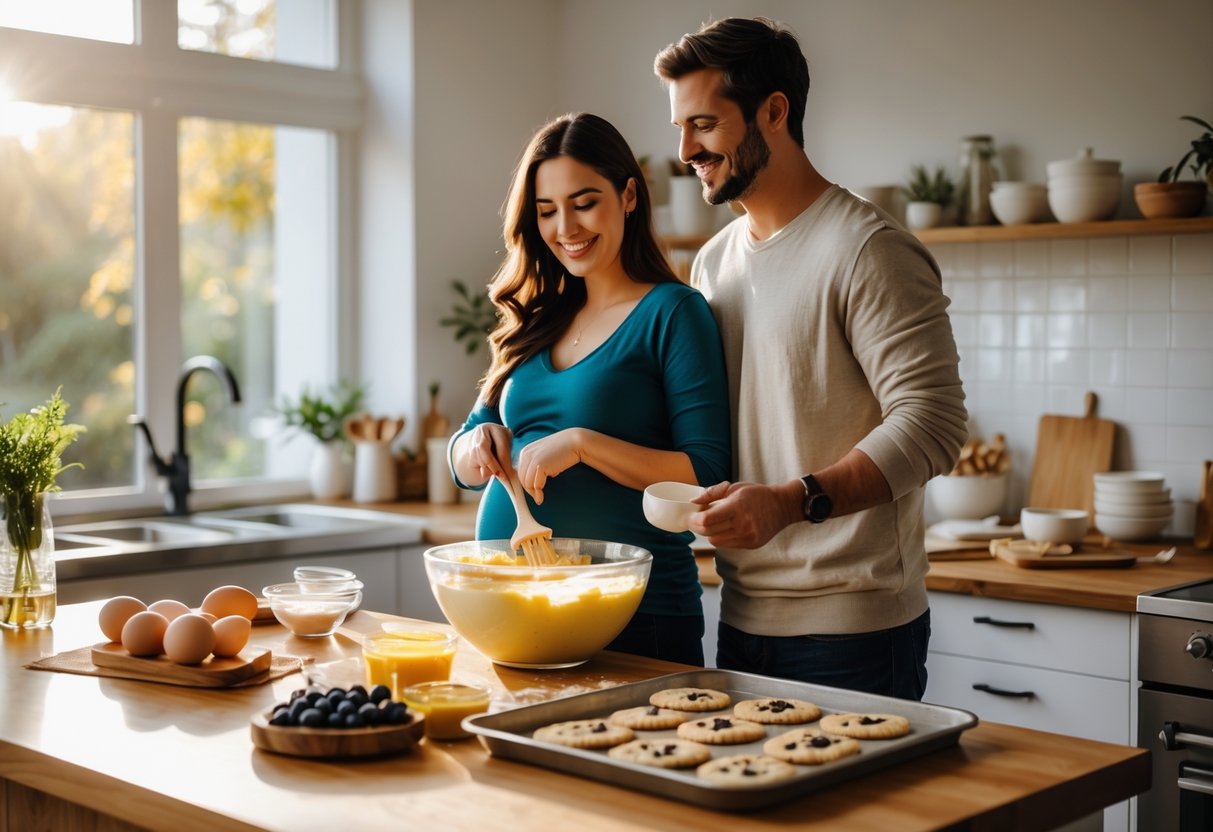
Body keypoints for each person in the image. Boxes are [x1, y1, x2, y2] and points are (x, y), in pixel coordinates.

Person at [654, 18, 968, 699]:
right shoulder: (711, 264)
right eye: (680, 128)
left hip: (854, 629)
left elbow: (934, 424)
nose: (684, 149)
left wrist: (791, 502)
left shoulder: (866, 248)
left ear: (773, 111)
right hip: (738, 615)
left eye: (703, 124)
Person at [447, 112, 732, 666]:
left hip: (634, 616)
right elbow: (460, 457)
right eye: (547, 211)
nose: (565, 229)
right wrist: (476, 449)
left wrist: (582, 443)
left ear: (628, 195)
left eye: (583, 203)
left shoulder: (673, 313)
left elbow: (707, 471)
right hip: (510, 606)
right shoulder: (533, 319)